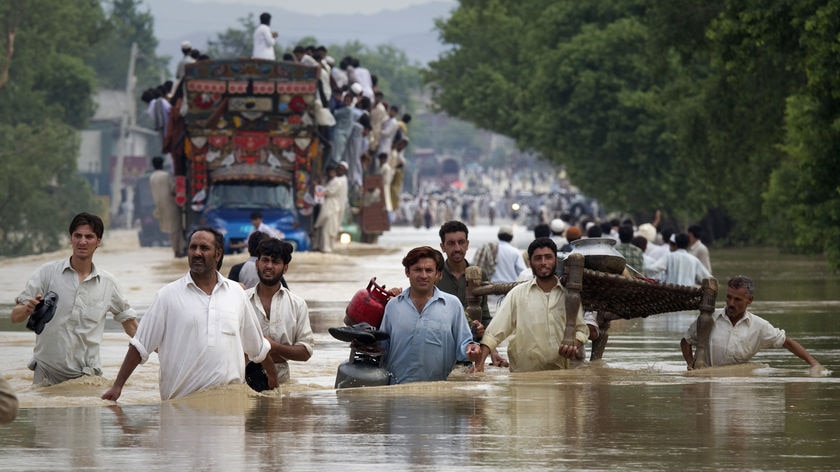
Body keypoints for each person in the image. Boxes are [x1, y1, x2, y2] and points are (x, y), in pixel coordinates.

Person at [102, 227, 278, 401]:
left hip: (229, 412)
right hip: (181, 410)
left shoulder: (236, 294)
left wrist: (273, 379)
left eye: (204, 248)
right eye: (193, 247)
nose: (197, 253)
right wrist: (118, 386)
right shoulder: (167, 296)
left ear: (218, 254)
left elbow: (257, 347)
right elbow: (139, 346)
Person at [12, 213, 138, 386]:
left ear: (98, 241)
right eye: (77, 236)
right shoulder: (47, 273)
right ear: (70, 239)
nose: (82, 241)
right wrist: (27, 309)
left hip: (87, 380)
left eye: (89, 237)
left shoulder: (108, 283)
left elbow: (130, 325)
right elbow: (15, 316)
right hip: (46, 376)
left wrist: (162, 350)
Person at [476, 237, 588, 372]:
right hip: (524, 379)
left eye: (548, 257)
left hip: (561, 377)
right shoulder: (517, 294)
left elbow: (582, 330)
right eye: (538, 258)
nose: (543, 262)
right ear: (530, 263)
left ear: (555, 260)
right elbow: (493, 333)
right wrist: (479, 364)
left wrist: (574, 344)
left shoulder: (570, 296)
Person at [380, 246, 482, 384]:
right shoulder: (393, 306)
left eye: (429, 270)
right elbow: (382, 349)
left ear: (438, 275)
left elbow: (463, 345)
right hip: (397, 393)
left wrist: (472, 349)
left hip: (438, 395)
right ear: (407, 272)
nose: (423, 275)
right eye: (417, 270)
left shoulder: (452, 305)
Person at [681, 276, 821, 370]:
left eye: (737, 300)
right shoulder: (709, 318)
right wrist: (690, 364)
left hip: (739, 390)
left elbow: (787, 342)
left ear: (750, 300)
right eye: (729, 297)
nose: (731, 303)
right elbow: (686, 341)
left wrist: (814, 364)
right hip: (707, 385)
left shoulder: (759, 326)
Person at [435, 221, 509, 367]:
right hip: (440, 351)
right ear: (442, 247)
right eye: (451, 243)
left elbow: (485, 316)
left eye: (461, 242)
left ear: (467, 244)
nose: (457, 248)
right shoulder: (433, 275)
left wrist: (492, 351)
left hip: (471, 352)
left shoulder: (479, 275)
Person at [246, 238, 314, 383]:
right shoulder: (241, 300)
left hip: (281, 382)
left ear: (285, 268)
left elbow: (306, 352)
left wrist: (275, 347)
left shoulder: (297, 304)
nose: (269, 266)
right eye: (265, 260)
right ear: (257, 264)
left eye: (275, 262)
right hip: (243, 379)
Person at [149, 156, 185, 257]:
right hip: (171, 205)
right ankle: (178, 251)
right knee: (176, 228)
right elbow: (173, 188)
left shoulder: (152, 177)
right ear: (162, 164)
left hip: (160, 206)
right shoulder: (166, 175)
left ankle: (176, 250)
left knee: (171, 229)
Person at [313, 162, 348, 253]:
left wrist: (317, 186)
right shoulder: (337, 180)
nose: (339, 170)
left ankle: (326, 249)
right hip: (330, 207)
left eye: (341, 168)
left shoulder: (338, 181)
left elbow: (328, 191)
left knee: (328, 230)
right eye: (338, 168)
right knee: (326, 229)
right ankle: (323, 248)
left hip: (332, 208)